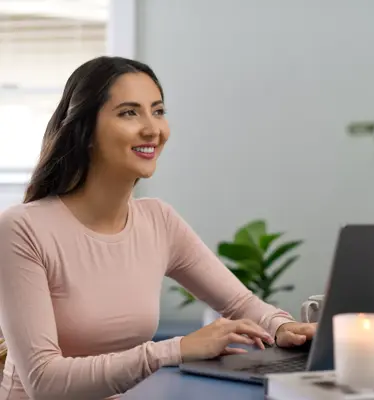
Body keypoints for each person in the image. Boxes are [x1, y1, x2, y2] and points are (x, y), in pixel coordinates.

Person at [0, 56, 316, 400]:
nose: (153, 129)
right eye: (129, 112)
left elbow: (239, 301)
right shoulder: (22, 229)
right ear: (86, 130)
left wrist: (282, 327)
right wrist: (174, 349)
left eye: (158, 111)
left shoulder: (158, 220)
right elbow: (44, 382)